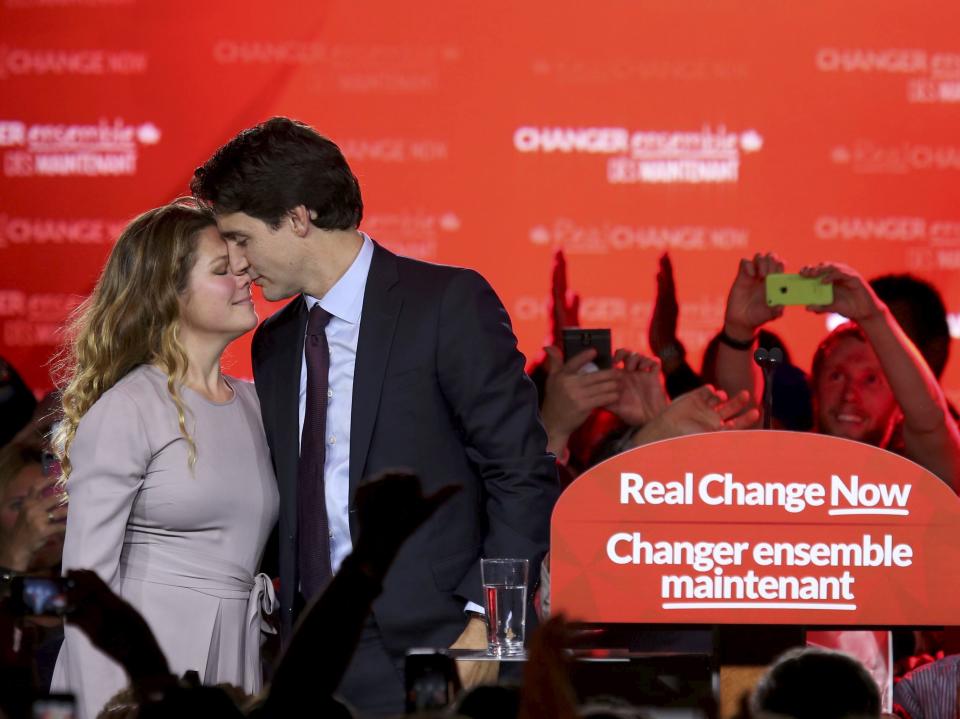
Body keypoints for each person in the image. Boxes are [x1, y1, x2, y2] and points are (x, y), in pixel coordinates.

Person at [191, 116, 559, 715]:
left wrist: (498, 628)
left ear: (297, 218)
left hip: (446, 643)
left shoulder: (445, 303)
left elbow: (522, 475)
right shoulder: (275, 343)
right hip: (312, 652)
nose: (236, 262)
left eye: (240, 237)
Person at [49, 200, 279, 719]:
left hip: (235, 666)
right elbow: (86, 588)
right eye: (222, 270)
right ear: (166, 295)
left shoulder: (257, 404)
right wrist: (113, 705)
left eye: (240, 264)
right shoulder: (130, 407)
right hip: (142, 672)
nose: (245, 276)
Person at [715, 254, 960, 489]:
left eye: (870, 380)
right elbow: (739, 410)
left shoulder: (923, 477)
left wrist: (873, 316)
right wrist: (739, 330)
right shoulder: (783, 462)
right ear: (814, 388)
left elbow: (930, 422)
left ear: (899, 401)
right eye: (836, 376)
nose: (849, 395)